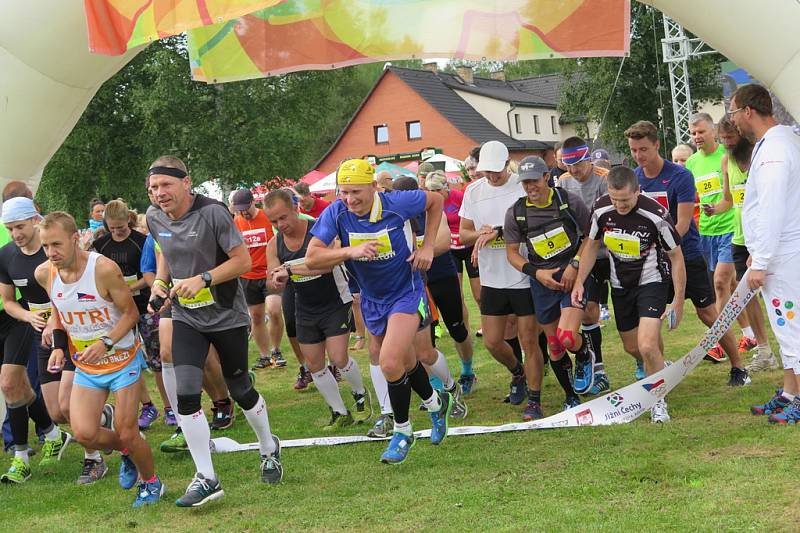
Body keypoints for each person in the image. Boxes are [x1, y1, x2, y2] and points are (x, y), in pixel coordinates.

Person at [147, 156, 282, 506]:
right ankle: (207, 477)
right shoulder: (153, 216)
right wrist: (161, 282)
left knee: (239, 387)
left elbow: (243, 262)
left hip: (226, 315)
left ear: (186, 182)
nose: (159, 194)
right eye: (153, 188)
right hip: (186, 316)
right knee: (187, 396)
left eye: (165, 185)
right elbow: (164, 250)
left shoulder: (213, 213)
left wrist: (204, 278)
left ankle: (268, 446)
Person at [306, 158, 452, 465]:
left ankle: (403, 431)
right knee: (406, 361)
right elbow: (313, 258)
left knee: (388, 362)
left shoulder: (398, 202)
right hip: (373, 299)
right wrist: (349, 251)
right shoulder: (337, 212)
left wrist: (426, 247)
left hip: (405, 292)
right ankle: (437, 404)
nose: (350, 199)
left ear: (374, 187)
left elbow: (436, 200)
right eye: (344, 192)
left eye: (356, 192)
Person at [35, 211, 163, 507]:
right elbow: (58, 309)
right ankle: (128, 452)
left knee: (128, 431)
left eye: (56, 244)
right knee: (84, 433)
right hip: (88, 365)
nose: (51, 253)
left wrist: (106, 342)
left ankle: (151, 482)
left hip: (121, 359)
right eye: (45, 246)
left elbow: (131, 313)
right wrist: (58, 345)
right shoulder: (45, 273)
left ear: (75, 238)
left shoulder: (103, 269)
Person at [627, 120, 749, 386]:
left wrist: (661, 246)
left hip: (687, 253)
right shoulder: (634, 179)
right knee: (651, 317)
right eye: (634, 150)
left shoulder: (680, 176)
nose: (638, 156)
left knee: (707, 313)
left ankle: (738, 366)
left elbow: (682, 223)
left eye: (643, 149)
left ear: (657, 145)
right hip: (653, 262)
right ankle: (659, 373)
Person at [572, 166, 686, 423]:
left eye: (625, 200)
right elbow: (591, 246)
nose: (619, 205)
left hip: (652, 282)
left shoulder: (655, 214)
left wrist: (678, 300)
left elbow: (676, 256)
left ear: (637, 191)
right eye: (614, 199)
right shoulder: (601, 209)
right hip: (620, 285)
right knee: (633, 347)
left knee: (647, 344)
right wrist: (580, 281)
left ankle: (658, 401)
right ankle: (660, 367)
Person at [263, 189, 372, 429]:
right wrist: (277, 279)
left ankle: (361, 396)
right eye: (273, 221)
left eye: (283, 217)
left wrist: (289, 271)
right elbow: (273, 274)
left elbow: (325, 265)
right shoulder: (274, 244)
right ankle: (339, 412)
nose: (280, 225)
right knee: (314, 365)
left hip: (335, 301)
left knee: (339, 357)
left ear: (296, 208)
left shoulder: (320, 230)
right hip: (305, 307)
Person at [728, 84, 800, 423]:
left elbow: (770, 207)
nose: (732, 123)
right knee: (784, 325)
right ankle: (790, 391)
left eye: (732, 113)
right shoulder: (774, 143)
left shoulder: (774, 149)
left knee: (791, 326)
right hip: (779, 252)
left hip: (782, 255)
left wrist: (763, 260)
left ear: (747, 112)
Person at [504, 157, 594, 420]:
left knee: (567, 337)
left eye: (534, 180)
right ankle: (570, 397)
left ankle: (584, 353)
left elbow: (591, 236)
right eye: (525, 182)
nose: (530, 186)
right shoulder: (516, 212)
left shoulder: (568, 201)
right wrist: (537, 273)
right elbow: (512, 254)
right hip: (542, 283)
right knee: (554, 346)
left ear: (546, 177)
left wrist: (575, 266)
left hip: (572, 277)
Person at [459, 141, 544, 409]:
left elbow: (538, 220)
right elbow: (464, 235)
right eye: (487, 172)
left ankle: (534, 399)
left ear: (508, 163)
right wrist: (481, 234)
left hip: (522, 271)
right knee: (493, 342)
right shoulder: (473, 191)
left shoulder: (523, 184)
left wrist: (499, 230)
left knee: (528, 339)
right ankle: (518, 372)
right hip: (491, 276)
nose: (492, 176)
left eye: (496, 171)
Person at [0, 199, 73, 484]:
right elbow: (8, 301)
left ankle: (25, 456)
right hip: (30, 323)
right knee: (16, 386)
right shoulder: (6, 255)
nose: (15, 234)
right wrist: (29, 317)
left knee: (11, 385)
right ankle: (46, 439)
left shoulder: (52, 253)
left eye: (19, 226)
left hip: (68, 324)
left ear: (34, 220)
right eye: (10, 229)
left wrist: (53, 321)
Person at [92, 199, 166, 427]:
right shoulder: (101, 244)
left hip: (145, 307)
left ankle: (170, 407)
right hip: (118, 312)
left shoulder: (141, 241)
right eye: (111, 228)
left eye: (120, 228)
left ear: (129, 220)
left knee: (158, 359)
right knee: (127, 359)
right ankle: (147, 407)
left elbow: (149, 274)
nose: (116, 232)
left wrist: (125, 289)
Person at [715, 115, 777, 372]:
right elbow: (729, 200)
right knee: (746, 295)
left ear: (741, 134)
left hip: (763, 237)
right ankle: (764, 350)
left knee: (777, 294)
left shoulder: (758, 156)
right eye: (723, 139)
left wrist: (759, 245)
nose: (727, 143)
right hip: (739, 238)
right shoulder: (726, 159)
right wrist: (713, 209)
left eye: (731, 138)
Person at [556, 137, 612, 392]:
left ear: (588, 159)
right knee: (589, 309)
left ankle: (642, 361)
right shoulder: (563, 182)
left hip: (611, 253)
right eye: (568, 166)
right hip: (585, 254)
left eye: (578, 164)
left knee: (624, 313)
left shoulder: (604, 178)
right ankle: (597, 367)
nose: (574, 171)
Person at [686, 113, 739, 364]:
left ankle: (718, 339)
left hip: (729, 227)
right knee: (730, 286)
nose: (697, 137)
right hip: (705, 232)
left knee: (719, 283)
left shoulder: (726, 157)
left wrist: (720, 207)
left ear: (713, 131)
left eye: (701, 132)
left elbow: (730, 197)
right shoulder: (692, 163)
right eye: (693, 133)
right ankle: (748, 334)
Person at [424, 171, 477, 393]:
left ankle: (467, 371)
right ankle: (436, 384)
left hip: (442, 275)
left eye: (437, 190)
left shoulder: (441, 213)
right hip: (419, 284)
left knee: (457, 330)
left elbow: (444, 244)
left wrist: (415, 255)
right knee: (424, 338)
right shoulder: (400, 218)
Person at [231, 189, 287, 370]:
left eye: (246, 208)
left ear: (253, 202)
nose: (243, 213)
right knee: (255, 317)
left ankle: (276, 350)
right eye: (239, 210)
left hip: (269, 273)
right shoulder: (236, 222)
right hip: (248, 276)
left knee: (274, 310)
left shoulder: (266, 218)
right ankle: (264, 355)